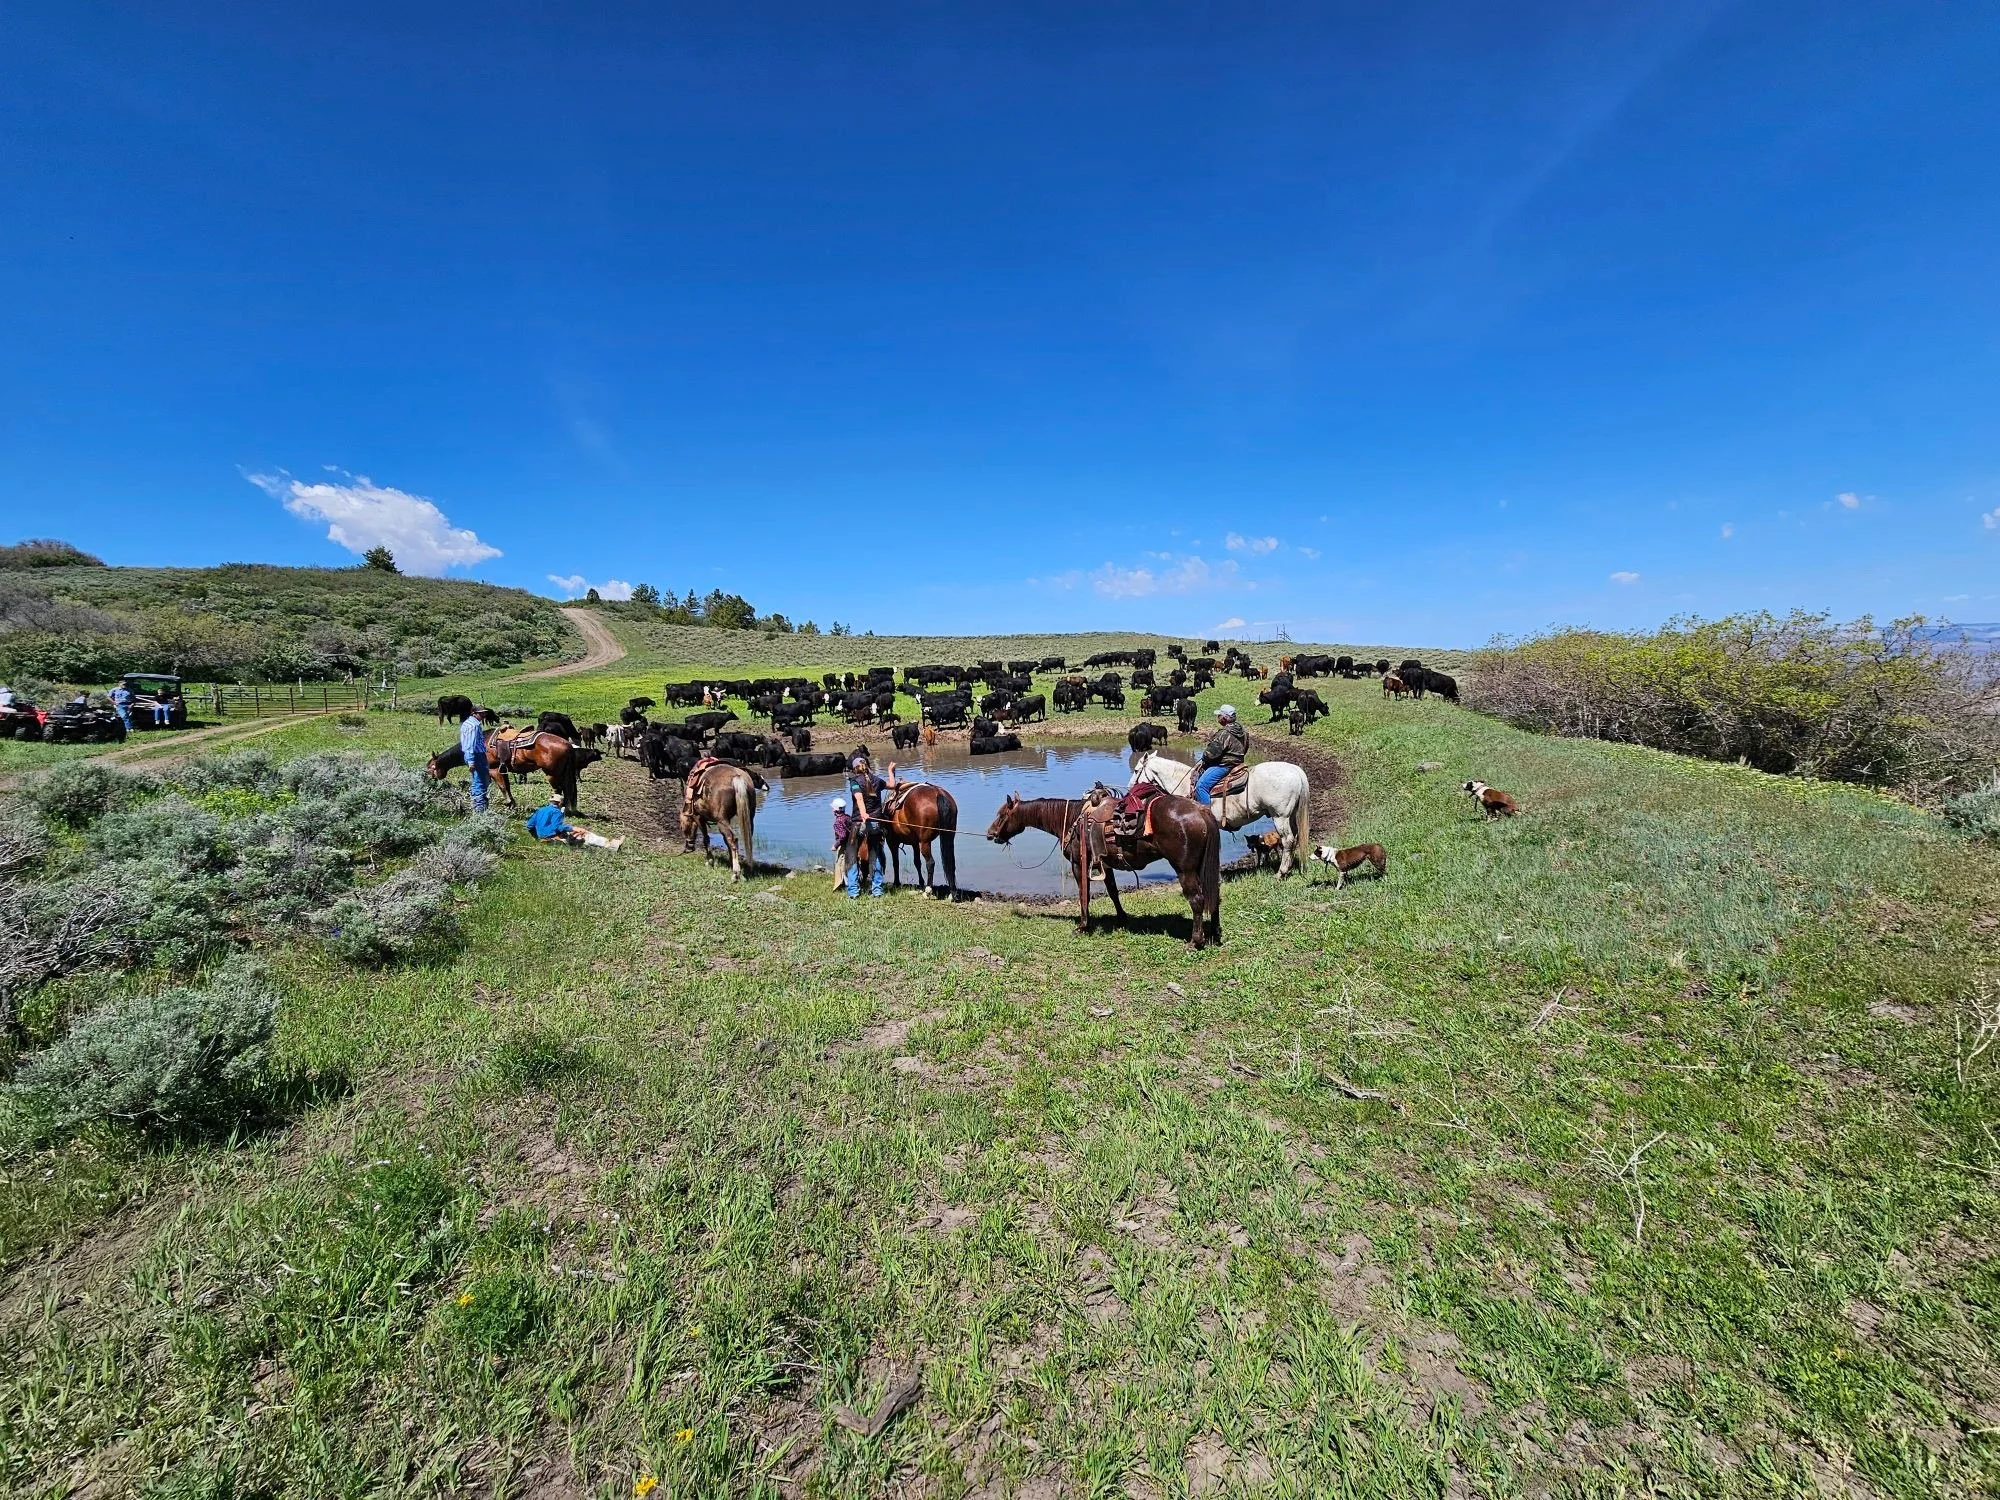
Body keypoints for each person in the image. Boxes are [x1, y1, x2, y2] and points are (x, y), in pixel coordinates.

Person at [843, 751, 885, 898]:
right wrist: (891, 772)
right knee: (876, 854)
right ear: (867, 766)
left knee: (852, 854)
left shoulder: (854, 781)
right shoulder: (877, 780)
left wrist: (863, 813)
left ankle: (854, 892)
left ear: (855, 769)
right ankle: (877, 890)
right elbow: (892, 785)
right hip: (875, 823)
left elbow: (859, 799)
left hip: (859, 823)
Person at [525, 792, 623, 849]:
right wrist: (574, 828)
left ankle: (608, 844)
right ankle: (612, 845)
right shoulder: (556, 812)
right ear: (560, 803)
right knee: (585, 834)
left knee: (577, 835)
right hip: (553, 839)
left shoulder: (540, 810)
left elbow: (529, 825)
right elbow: (557, 827)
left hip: (542, 838)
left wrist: (537, 837)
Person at [1193, 705, 1249, 805]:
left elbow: (1212, 754)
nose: (1217, 718)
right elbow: (1245, 748)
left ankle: (1206, 816)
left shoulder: (1224, 734)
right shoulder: (1243, 732)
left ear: (1224, 718)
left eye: (1219, 715)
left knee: (1201, 787)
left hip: (1224, 766)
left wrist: (1204, 759)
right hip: (1238, 763)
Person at [458, 705, 491, 813]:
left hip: (474, 755)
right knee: (480, 782)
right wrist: (471, 761)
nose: (483, 715)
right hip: (476, 756)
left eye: (484, 713)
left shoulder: (467, 723)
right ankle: (479, 810)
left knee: (480, 780)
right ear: (474, 713)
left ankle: (480, 806)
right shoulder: (474, 726)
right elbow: (470, 744)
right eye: (481, 713)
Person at [830, 798, 852, 888]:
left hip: (843, 846)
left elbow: (842, 836)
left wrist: (835, 846)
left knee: (840, 864)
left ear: (835, 810)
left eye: (833, 808)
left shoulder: (838, 822)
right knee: (849, 864)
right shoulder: (847, 817)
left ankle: (845, 884)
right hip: (851, 844)